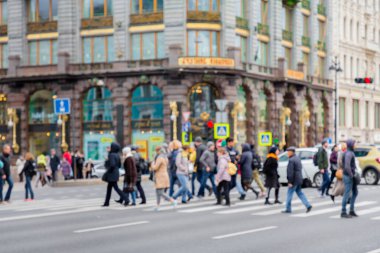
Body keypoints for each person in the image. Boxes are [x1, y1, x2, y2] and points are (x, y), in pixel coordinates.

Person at [282, 147, 312, 214]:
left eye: (288, 152)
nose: (287, 153)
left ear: (292, 152)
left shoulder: (291, 160)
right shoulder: (297, 158)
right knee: (300, 193)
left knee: (289, 194)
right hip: (299, 179)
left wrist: (290, 181)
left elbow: (290, 172)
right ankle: (308, 205)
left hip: (294, 180)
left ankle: (288, 208)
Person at [151, 146, 176, 211]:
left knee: (160, 192)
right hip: (163, 175)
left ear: (159, 151)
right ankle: (157, 206)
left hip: (160, 176)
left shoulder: (160, 158)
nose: (156, 152)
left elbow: (155, 167)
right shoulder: (165, 157)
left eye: (156, 151)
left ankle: (172, 201)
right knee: (157, 191)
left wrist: (152, 163)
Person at [102, 142, 127, 207]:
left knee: (116, 188)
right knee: (109, 188)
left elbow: (112, 165)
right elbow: (119, 165)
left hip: (112, 174)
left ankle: (126, 199)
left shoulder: (111, 155)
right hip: (116, 172)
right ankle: (106, 202)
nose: (110, 148)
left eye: (111, 147)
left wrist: (108, 171)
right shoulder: (117, 154)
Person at [341, 139, 359, 218]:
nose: (356, 144)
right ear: (351, 144)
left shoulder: (349, 152)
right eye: (355, 143)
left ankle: (351, 210)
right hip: (348, 176)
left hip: (350, 175)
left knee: (355, 192)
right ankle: (343, 212)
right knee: (347, 194)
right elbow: (347, 166)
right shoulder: (349, 153)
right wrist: (352, 175)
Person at [215, 141, 231, 206]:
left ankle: (224, 202)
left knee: (220, 189)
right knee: (223, 189)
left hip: (223, 176)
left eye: (218, 152)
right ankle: (224, 201)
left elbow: (221, 169)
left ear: (221, 153)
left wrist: (217, 176)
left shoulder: (222, 159)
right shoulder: (225, 158)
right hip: (226, 176)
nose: (217, 154)